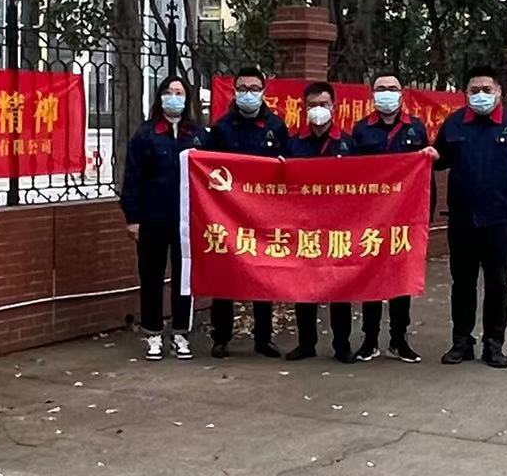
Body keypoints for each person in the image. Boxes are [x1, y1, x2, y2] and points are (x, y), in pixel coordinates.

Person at [433, 65, 507, 369]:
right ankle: (461, 342)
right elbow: (439, 159)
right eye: (474, 90)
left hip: (500, 220)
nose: (480, 95)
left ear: (498, 92)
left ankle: (494, 344)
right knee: (462, 284)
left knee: (497, 284)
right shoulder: (454, 124)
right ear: (465, 94)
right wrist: (424, 156)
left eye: (486, 90)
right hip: (463, 219)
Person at [348, 71, 440, 362]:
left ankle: (399, 339)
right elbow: (351, 174)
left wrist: (425, 215)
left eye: (392, 88)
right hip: (371, 218)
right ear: (372, 94)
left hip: (405, 219)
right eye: (380, 88)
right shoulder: (362, 130)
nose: (386, 93)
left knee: (402, 278)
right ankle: (370, 339)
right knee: (371, 278)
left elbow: (424, 177)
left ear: (401, 93)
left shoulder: (415, 128)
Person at [120, 76, 207, 360]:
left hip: (188, 220)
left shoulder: (197, 135)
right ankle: (153, 333)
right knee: (151, 276)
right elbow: (132, 178)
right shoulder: (146, 134)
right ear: (160, 97)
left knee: (185, 277)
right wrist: (133, 217)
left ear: (187, 98)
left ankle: (181, 333)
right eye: (169, 92)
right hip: (152, 217)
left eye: (179, 92)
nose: (174, 97)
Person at [207, 66, 291, 359]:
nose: (248, 94)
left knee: (263, 275)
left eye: (254, 89)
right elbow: (208, 167)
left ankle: (263, 338)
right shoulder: (222, 127)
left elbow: (288, 166)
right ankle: (221, 337)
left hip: (264, 213)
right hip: (227, 212)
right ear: (234, 91)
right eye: (243, 88)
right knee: (224, 275)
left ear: (263, 91)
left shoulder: (276, 126)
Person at [286, 82, 354, 362]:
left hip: (339, 226)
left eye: (323, 104)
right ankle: (306, 343)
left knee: (340, 287)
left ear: (333, 107)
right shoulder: (293, 143)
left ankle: (342, 344)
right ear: (304, 109)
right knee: (304, 286)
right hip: (304, 225)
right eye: (312, 105)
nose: (318, 110)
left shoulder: (348, 143)